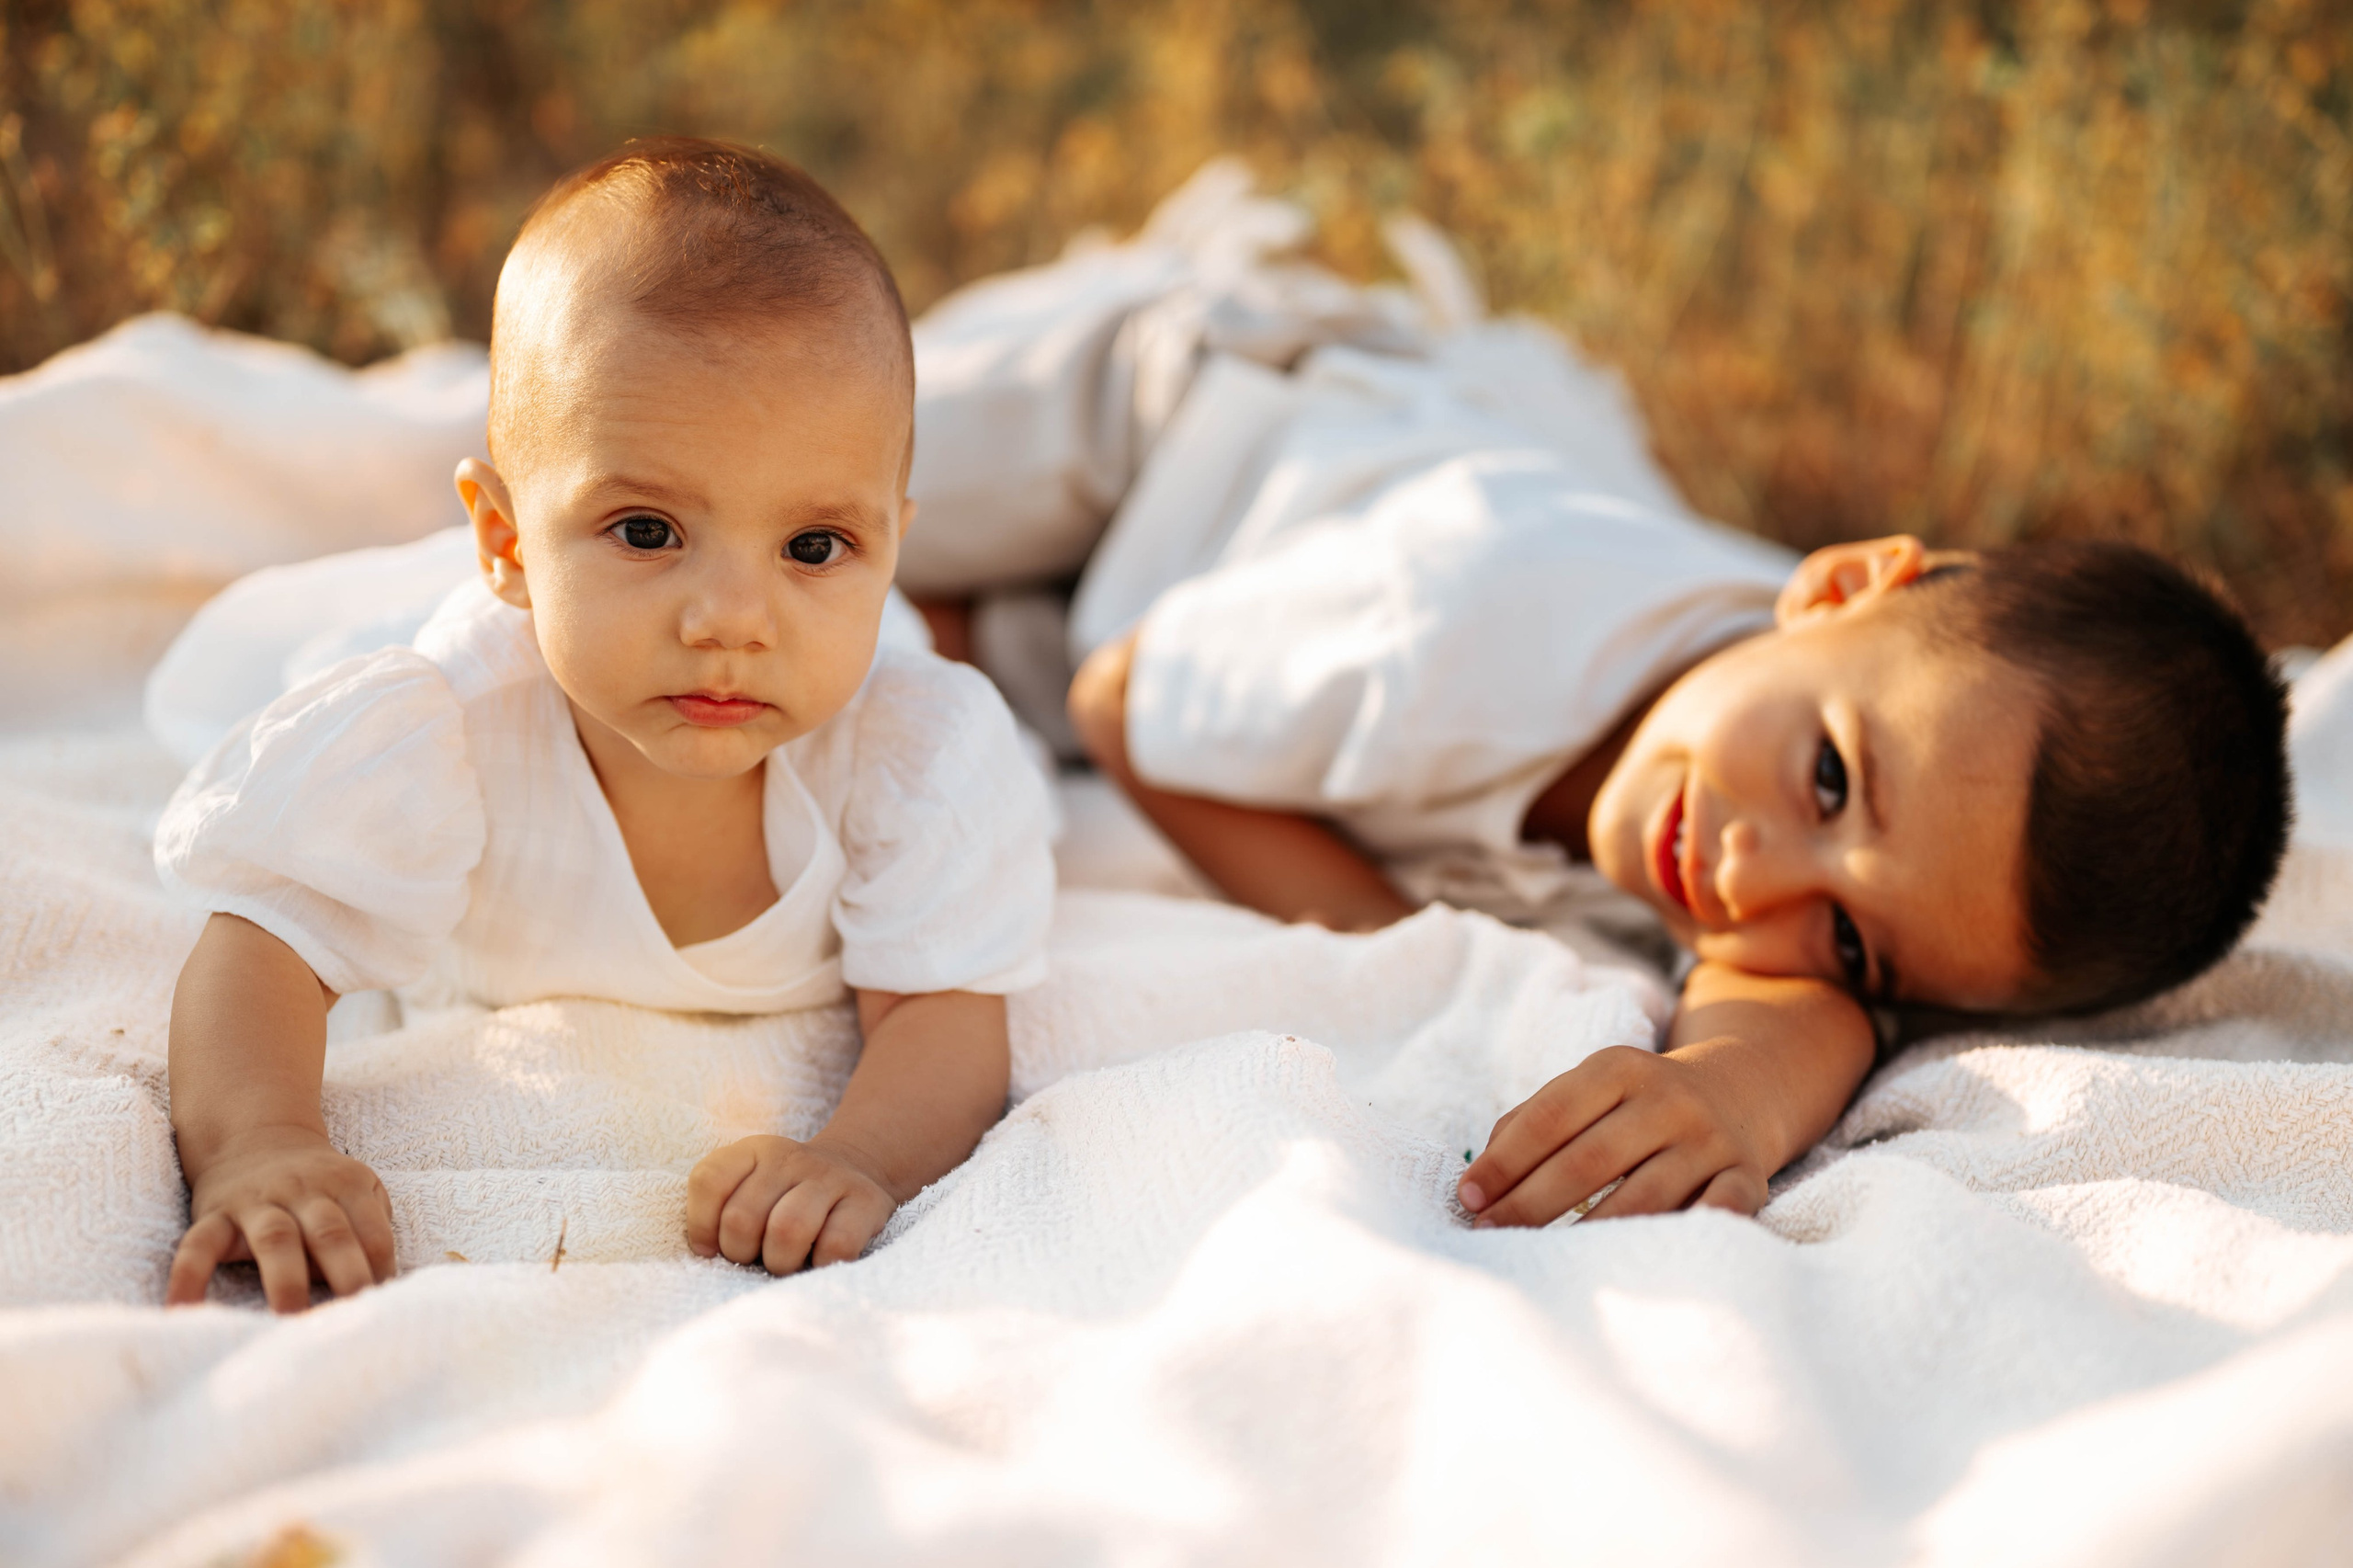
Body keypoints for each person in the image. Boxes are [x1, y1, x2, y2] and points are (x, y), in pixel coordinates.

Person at [154, 138, 1055, 1313]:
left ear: (892, 539)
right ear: (508, 544)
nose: (732, 619)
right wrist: (261, 1142)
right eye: (645, 530)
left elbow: (942, 1011)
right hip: (490, 640)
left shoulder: (908, 751)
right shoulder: (441, 732)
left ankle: (966, 613)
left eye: (815, 547)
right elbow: (264, 943)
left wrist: (858, 1157)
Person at [1068, 527, 2293, 1230]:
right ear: (1837, 588)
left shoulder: (1852, 759)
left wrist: (1733, 1092)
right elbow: (1119, 698)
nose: (1753, 884)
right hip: (1197, 411)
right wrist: (1390, 930)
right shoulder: (1446, 630)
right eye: (1827, 778)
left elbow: (1791, 1013)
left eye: (1855, 940)